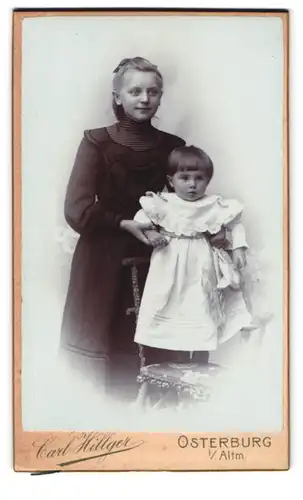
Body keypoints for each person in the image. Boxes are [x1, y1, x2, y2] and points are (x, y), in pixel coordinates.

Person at [60, 57, 185, 395]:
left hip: (156, 258)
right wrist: (124, 223)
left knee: (156, 361)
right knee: (106, 366)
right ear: (117, 96)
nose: (144, 99)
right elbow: (77, 210)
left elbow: (185, 202)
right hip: (102, 263)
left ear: (160, 97)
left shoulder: (174, 147)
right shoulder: (95, 143)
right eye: (135, 91)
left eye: (152, 92)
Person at [133, 146, 253, 364]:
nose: (192, 184)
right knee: (169, 306)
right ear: (171, 180)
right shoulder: (163, 203)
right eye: (184, 178)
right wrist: (150, 231)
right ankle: (173, 364)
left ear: (207, 181)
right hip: (168, 265)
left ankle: (200, 363)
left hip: (200, 264)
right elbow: (141, 218)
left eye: (199, 179)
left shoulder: (212, 205)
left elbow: (236, 225)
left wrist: (238, 247)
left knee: (201, 309)